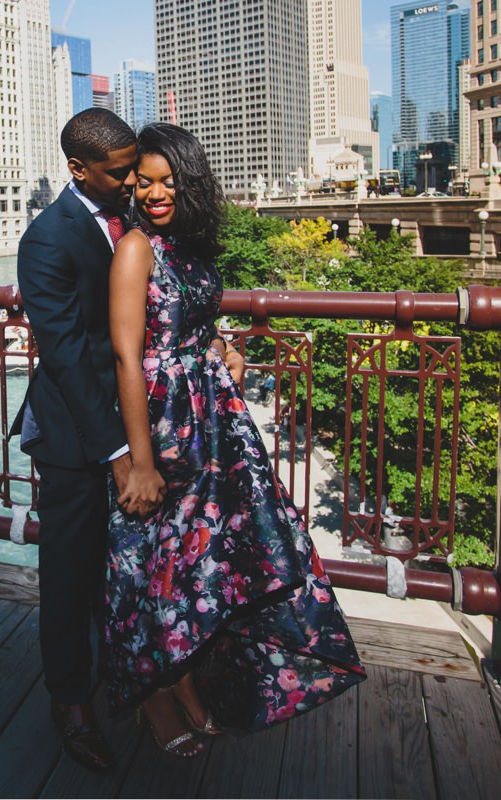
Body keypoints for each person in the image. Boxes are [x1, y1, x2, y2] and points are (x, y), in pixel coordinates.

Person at [102, 122, 365, 757]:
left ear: (189, 183)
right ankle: (157, 697)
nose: (154, 192)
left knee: (203, 562)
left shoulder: (191, 247)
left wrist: (224, 348)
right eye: (144, 182)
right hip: (164, 426)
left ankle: (188, 684)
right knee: (157, 563)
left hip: (215, 425)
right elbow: (125, 357)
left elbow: (197, 324)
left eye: (167, 181)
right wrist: (139, 460)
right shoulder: (136, 248)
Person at [11, 108, 165, 773]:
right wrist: (121, 454)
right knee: (69, 576)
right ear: (79, 170)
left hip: (135, 421)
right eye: (120, 171)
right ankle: (69, 702)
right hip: (76, 437)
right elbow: (67, 356)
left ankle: (142, 678)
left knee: (136, 563)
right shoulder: (46, 240)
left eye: (136, 167)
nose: (134, 181)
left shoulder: (129, 215)